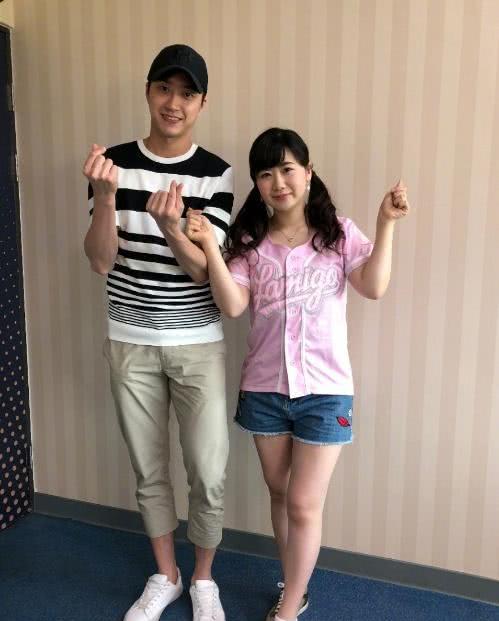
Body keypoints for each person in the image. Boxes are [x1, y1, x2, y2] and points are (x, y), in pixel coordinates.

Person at [185, 127, 409, 621]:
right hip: (264, 390)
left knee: (304, 504)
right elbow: (233, 305)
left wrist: (385, 224)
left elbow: (373, 286)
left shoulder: (338, 234)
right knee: (281, 493)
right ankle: (295, 584)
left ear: (308, 173)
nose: (278, 182)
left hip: (325, 392)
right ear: (257, 183)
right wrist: (210, 250)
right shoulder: (250, 243)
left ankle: (287, 608)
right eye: (265, 173)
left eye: (287, 169)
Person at [82, 44, 233, 621]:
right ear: (148, 91)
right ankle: (165, 574)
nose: (174, 103)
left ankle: (202, 579)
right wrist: (104, 198)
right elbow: (100, 260)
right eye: (164, 89)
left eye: (187, 93)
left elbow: (204, 272)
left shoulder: (216, 173)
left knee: (209, 473)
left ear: (202, 103)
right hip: (130, 338)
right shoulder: (113, 164)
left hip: (196, 343)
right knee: (149, 469)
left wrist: (172, 229)